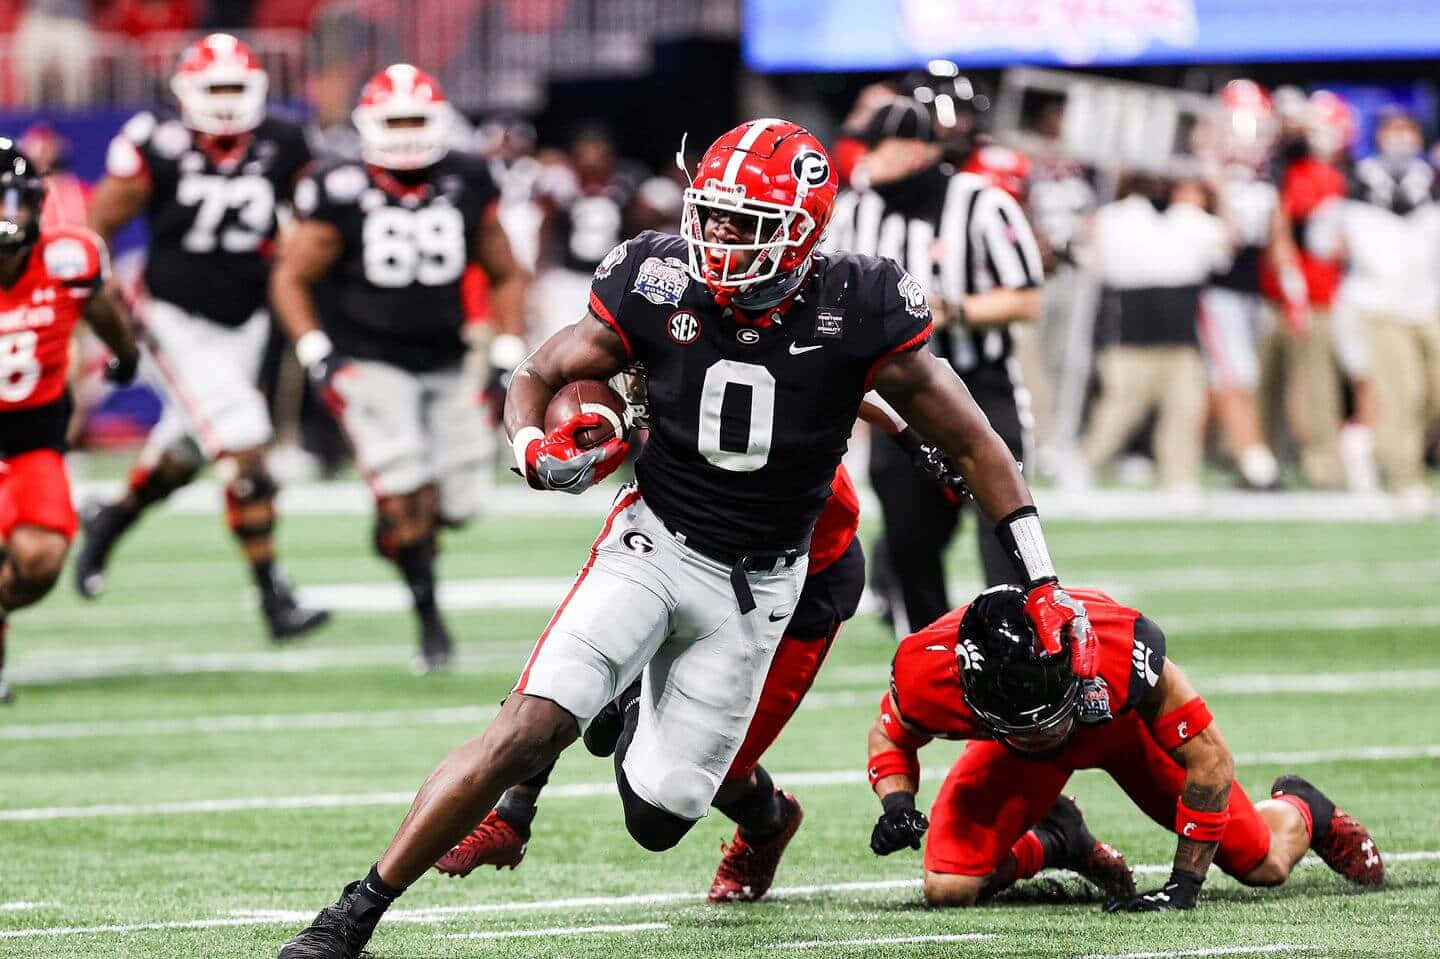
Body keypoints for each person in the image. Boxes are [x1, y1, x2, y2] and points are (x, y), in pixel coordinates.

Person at [278, 118, 1089, 959]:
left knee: (659, 818)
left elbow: (976, 441)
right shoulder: (656, 275)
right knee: (525, 727)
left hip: (764, 586)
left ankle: (636, 714)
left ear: (804, 229)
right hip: (654, 542)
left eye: (746, 223)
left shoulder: (862, 301)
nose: (717, 236)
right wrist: (530, 448)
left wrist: (1041, 579)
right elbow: (541, 372)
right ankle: (352, 915)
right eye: (710, 212)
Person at [433, 402, 968, 900]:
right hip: (690, 547)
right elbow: (576, 366)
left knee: (721, 769)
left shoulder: (774, 346)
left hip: (800, 578)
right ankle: (514, 812)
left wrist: (913, 438)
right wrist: (565, 432)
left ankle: (769, 823)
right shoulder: (662, 325)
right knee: (580, 667)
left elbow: (861, 383)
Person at [866, 583, 1385, 909]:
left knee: (1263, 864)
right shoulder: (927, 670)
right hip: (1015, 757)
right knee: (948, 885)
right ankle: (1057, 840)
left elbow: (1210, 759)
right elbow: (890, 736)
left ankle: (1300, 810)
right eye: (1024, 722)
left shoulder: (1118, 647)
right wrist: (897, 803)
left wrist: (1183, 886)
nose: (1042, 730)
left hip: (1122, 732)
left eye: (1047, 715)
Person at [270, 63, 526, 671]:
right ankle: (430, 623)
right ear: (368, 125)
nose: (408, 133)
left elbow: (508, 271)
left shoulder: (467, 176)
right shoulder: (337, 185)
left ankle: (399, 535)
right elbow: (291, 276)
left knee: (457, 506)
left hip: (447, 357)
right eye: (396, 121)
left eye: (418, 120)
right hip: (369, 359)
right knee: (407, 491)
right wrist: (316, 352)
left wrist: (507, 353)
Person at [74, 33, 328, 642]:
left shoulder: (285, 141)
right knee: (244, 444)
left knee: (187, 450)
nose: (224, 102)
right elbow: (94, 232)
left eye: (234, 88)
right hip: (171, 316)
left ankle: (110, 521)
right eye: (213, 88)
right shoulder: (153, 142)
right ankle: (274, 597)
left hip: (247, 317)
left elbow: (307, 219)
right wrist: (104, 316)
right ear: (186, 91)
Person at [825, 92, 1045, 634]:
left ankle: (1022, 665)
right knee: (909, 545)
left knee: (1008, 541)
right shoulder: (855, 211)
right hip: (901, 399)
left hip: (981, 388)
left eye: (880, 147)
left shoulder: (981, 202)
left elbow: (1026, 298)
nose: (868, 159)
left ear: (918, 149)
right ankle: (933, 670)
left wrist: (949, 310)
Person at [0, 142, 141, 703]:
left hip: (33, 436)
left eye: (9, 200)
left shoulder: (69, 259)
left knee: (40, 561)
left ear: (36, 205)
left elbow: (102, 309)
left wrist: (124, 355)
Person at [1312, 108, 1440, 512]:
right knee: (1400, 390)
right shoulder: (1357, 179)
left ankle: (1383, 456)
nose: (1401, 138)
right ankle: (1404, 475)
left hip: (1425, 302)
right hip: (1378, 303)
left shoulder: (1429, 179)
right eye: (1392, 129)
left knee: (1430, 393)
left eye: (1407, 129)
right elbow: (1321, 238)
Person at [1077, 176, 1231, 495]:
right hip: (1131, 336)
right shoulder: (1115, 219)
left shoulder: (1190, 221)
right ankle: (1084, 464)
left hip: (1179, 337)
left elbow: (1226, 246)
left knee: (1185, 410)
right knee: (1119, 411)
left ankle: (1180, 477)